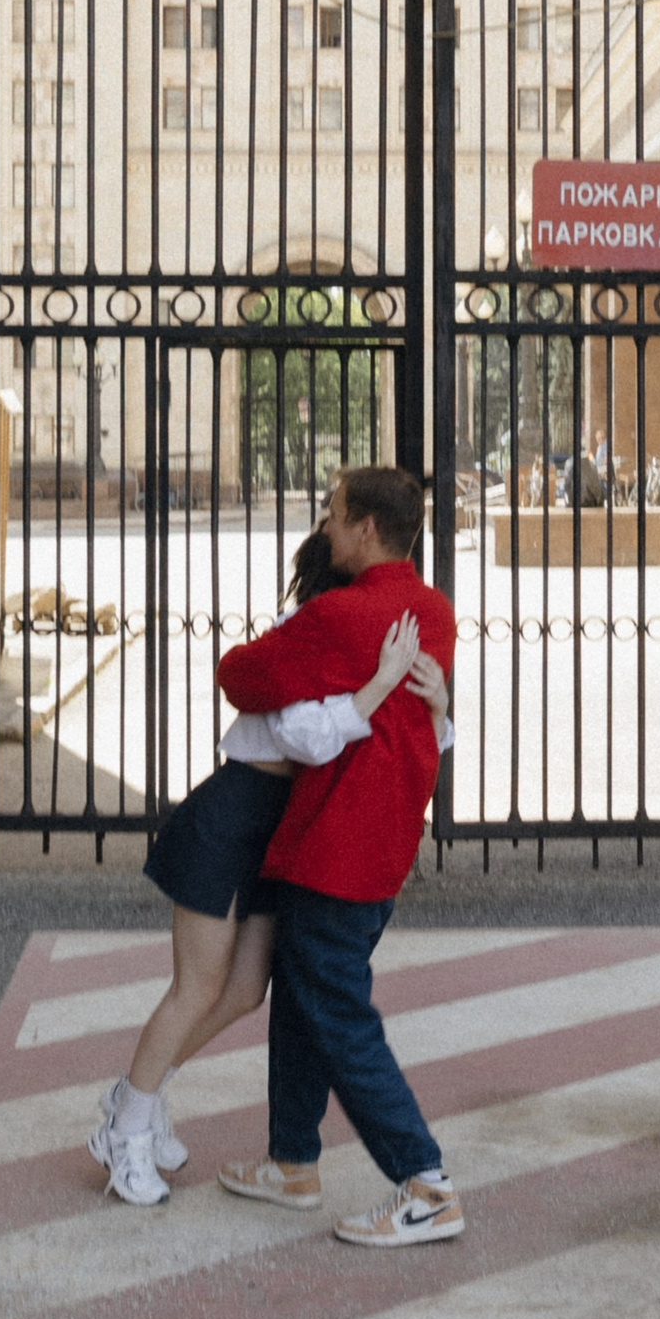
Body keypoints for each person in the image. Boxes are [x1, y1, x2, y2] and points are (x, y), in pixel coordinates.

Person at [89, 522, 449, 1209]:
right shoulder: (307, 636)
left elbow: (397, 738)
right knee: (196, 986)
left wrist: (434, 701)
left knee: (247, 989)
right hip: (232, 816)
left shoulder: (366, 644)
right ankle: (125, 1128)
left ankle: (140, 1092)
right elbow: (298, 736)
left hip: (280, 830)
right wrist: (376, 685)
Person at [212, 465, 464, 1251]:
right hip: (381, 844)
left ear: (366, 529)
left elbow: (239, 677)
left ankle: (424, 1182)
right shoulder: (433, 612)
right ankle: (292, 1159)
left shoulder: (346, 617)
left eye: (332, 514)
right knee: (305, 996)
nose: (323, 526)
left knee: (340, 1015)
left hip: (334, 847)